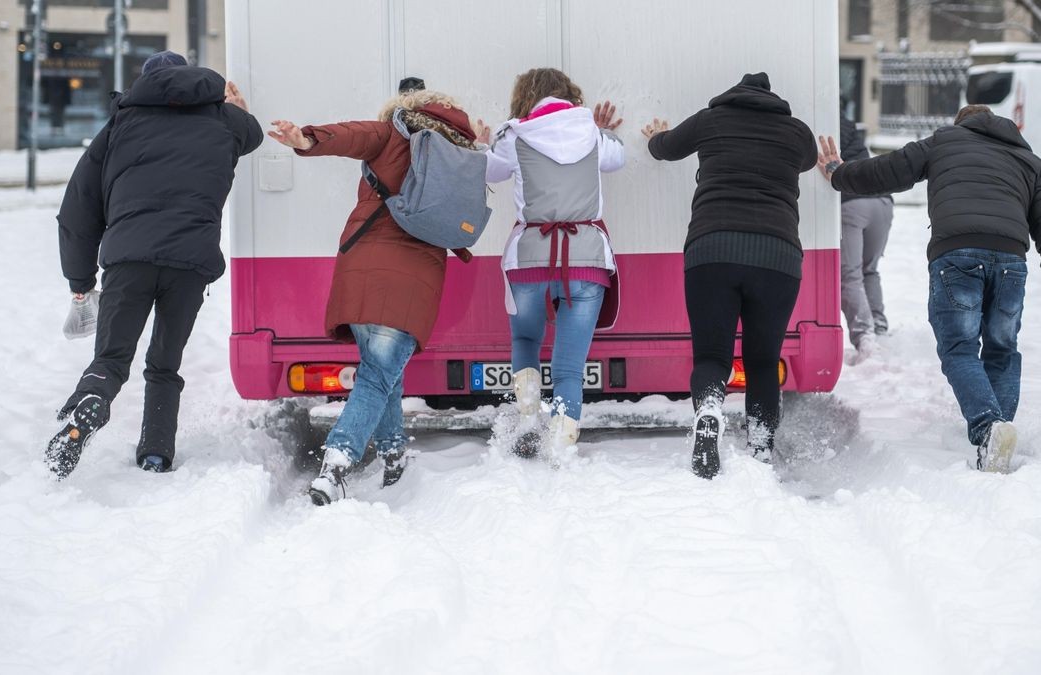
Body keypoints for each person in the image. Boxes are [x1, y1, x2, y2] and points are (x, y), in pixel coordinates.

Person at [817, 104, 1041, 472]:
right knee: (1003, 350)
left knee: (959, 349)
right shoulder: (1030, 161)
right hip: (1010, 264)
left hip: (957, 257)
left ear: (962, 124)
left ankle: (990, 429)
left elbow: (890, 169)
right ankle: (999, 433)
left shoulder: (946, 141)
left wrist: (838, 173)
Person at [49, 51, 262, 479]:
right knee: (164, 364)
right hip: (191, 263)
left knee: (110, 360)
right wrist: (237, 110)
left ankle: (90, 402)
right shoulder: (225, 121)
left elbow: (78, 209)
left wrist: (80, 279)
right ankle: (156, 452)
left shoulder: (119, 126)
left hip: (129, 259)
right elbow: (253, 135)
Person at [268, 87, 480, 504]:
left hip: (362, 269)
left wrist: (307, 139)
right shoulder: (462, 159)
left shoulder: (391, 134)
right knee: (379, 376)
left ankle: (393, 456)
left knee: (382, 373)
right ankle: (336, 465)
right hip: (413, 280)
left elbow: (352, 135)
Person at [642, 72, 817, 479]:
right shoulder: (796, 132)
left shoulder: (710, 120)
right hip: (778, 256)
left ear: (731, 95)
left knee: (711, 356)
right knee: (761, 360)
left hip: (712, 250)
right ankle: (760, 447)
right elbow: (808, 161)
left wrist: (656, 135)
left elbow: (665, 149)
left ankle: (708, 410)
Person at [474, 68, 625, 459]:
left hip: (528, 260)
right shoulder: (590, 132)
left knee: (526, 339)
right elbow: (617, 158)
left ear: (527, 97)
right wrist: (606, 133)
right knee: (569, 368)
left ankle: (527, 419)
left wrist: (479, 146)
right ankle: (559, 445)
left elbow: (490, 171)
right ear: (568, 95)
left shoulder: (515, 134)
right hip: (587, 259)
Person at [836, 106, 894, 362]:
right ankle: (879, 329)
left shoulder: (820, 122)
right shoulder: (847, 124)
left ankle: (865, 338)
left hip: (851, 204)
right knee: (869, 269)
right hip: (882, 201)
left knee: (849, 275)